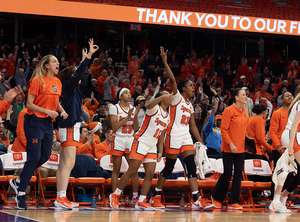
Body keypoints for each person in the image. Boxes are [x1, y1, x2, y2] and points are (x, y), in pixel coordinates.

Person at [151, 47, 213, 210]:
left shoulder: (189, 105)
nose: (193, 88)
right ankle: (155, 196)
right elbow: (172, 79)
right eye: (191, 86)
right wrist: (164, 61)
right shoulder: (176, 98)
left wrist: (201, 142)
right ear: (183, 88)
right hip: (173, 135)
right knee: (169, 167)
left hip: (185, 137)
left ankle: (196, 199)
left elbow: (192, 126)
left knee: (191, 167)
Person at [9, 54, 68, 210]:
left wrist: (62, 111)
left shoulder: (57, 82)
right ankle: (20, 195)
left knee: (45, 156)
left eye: (58, 61)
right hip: (34, 121)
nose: (58, 63)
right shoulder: (37, 80)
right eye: (54, 61)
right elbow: (29, 104)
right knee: (34, 157)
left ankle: (18, 180)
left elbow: (55, 103)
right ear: (46, 65)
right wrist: (47, 111)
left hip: (48, 122)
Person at [109, 87, 172, 210]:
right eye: (167, 95)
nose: (170, 97)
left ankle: (141, 200)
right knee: (132, 170)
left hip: (152, 146)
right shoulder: (154, 108)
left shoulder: (167, 116)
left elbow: (161, 135)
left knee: (149, 174)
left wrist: (160, 151)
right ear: (161, 98)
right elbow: (148, 104)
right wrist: (161, 96)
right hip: (141, 141)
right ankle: (115, 195)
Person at [55, 39, 98, 209]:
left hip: (68, 126)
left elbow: (79, 73)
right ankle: (62, 197)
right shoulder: (68, 87)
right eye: (75, 74)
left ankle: (60, 197)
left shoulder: (72, 91)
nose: (79, 76)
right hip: (70, 127)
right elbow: (78, 73)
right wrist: (87, 58)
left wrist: (83, 60)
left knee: (63, 164)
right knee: (68, 163)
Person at [211, 88, 248, 210]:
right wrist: (231, 144)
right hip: (228, 148)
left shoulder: (246, 112)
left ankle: (234, 201)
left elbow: (244, 130)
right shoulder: (228, 111)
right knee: (227, 173)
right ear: (236, 97)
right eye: (243, 94)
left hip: (241, 149)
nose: (245, 96)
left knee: (238, 175)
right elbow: (224, 130)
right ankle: (216, 197)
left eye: (245, 94)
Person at [269, 91, 300, 212]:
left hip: (294, 136)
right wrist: (291, 146)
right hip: (291, 136)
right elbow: (293, 126)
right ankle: (278, 199)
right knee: (284, 168)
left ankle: (279, 198)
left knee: (284, 168)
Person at [108, 88, 139, 204]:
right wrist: (127, 117)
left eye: (129, 93)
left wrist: (135, 115)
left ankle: (135, 196)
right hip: (118, 139)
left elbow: (135, 128)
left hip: (130, 139)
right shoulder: (114, 108)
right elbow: (114, 127)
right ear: (120, 96)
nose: (129, 94)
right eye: (126, 93)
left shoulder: (133, 108)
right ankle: (115, 196)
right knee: (116, 169)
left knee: (133, 169)